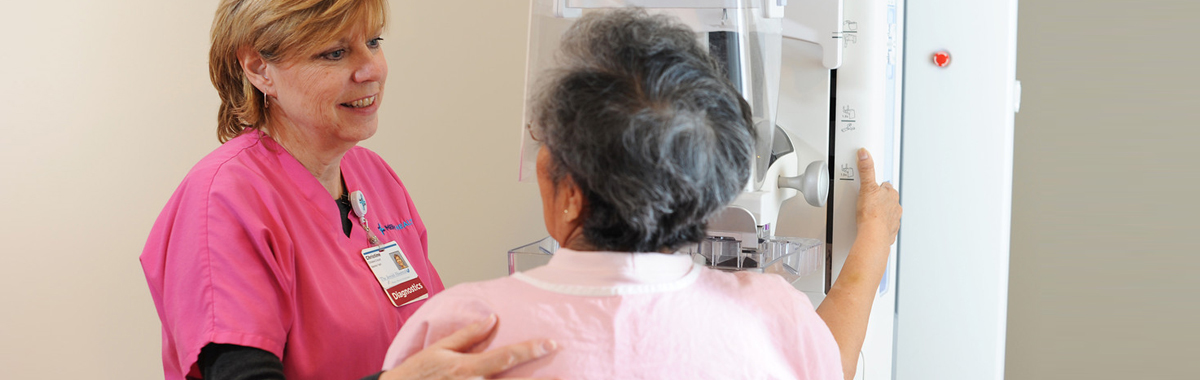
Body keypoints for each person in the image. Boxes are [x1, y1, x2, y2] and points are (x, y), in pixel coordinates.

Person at [382, 9, 902, 380]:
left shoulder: (460, 330)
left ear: (565, 190)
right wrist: (872, 243)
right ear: (712, 190)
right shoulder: (772, 312)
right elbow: (828, 362)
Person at [139, 1, 556, 379]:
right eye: (334, 53)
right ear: (258, 68)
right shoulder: (224, 201)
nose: (370, 69)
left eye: (373, 42)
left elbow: (433, 332)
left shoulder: (374, 176)